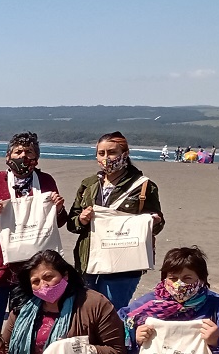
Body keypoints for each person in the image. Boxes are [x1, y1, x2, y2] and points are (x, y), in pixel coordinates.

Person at [0, 132, 68, 328]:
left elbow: (59, 221)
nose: (23, 156)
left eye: (29, 152)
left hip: (33, 265)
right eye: (18, 151)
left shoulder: (45, 181)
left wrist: (59, 209)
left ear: (36, 159)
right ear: (7, 156)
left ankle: (18, 353)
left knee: (26, 314)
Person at [67, 131, 165, 309]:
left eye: (112, 152)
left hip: (124, 263)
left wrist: (155, 222)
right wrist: (80, 220)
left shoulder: (143, 186)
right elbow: (71, 223)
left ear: (125, 154)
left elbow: (158, 223)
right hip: (87, 261)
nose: (106, 158)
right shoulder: (88, 184)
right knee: (84, 311)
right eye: (101, 153)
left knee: (113, 312)